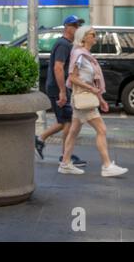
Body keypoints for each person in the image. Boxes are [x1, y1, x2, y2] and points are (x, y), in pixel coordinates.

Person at [58, 27, 129, 177]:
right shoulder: (79, 54)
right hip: (83, 98)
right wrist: (92, 89)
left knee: (73, 132)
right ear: (83, 38)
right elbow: (72, 77)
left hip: (84, 98)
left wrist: (101, 99)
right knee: (101, 130)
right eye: (93, 35)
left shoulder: (86, 55)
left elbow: (92, 81)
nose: (95, 37)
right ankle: (107, 166)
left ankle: (65, 163)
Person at [35, 15, 87, 167]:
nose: (77, 28)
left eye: (79, 26)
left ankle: (40, 139)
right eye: (75, 25)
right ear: (67, 27)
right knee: (68, 122)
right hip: (58, 88)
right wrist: (63, 92)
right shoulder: (63, 44)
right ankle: (65, 156)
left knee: (64, 121)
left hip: (59, 88)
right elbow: (58, 68)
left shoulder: (67, 44)